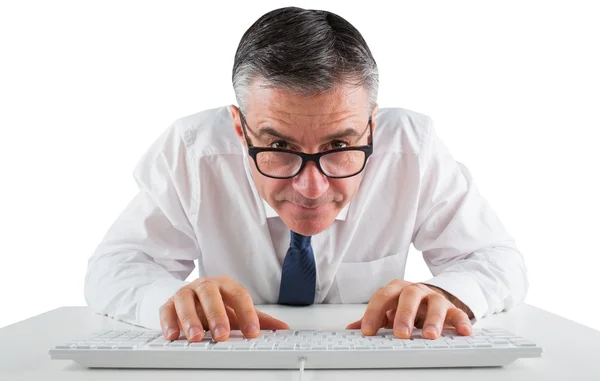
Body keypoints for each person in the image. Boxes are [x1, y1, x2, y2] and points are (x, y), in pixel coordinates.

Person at [84, 6, 528, 343]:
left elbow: (498, 260)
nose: (312, 189)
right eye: (279, 147)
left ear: (372, 126)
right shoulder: (192, 151)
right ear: (240, 129)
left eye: (339, 146)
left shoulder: (413, 148)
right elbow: (115, 267)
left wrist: (444, 293)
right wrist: (170, 301)